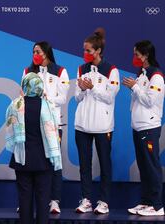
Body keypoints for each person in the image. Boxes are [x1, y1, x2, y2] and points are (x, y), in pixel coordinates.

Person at [74, 28, 120, 214]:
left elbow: (110, 97)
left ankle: (104, 201)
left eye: (88, 51)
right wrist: (83, 90)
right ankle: (86, 200)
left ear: (98, 51)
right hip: (82, 124)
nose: (85, 54)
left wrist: (92, 88)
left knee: (104, 163)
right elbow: (77, 97)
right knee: (84, 164)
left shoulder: (111, 70)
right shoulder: (81, 68)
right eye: (84, 50)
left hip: (103, 126)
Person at [6, 73, 61, 224]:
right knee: (43, 202)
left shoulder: (16, 105)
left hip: (22, 159)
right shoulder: (48, 106)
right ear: (40, 87)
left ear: (25, 86)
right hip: (44, 160)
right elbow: (55, 129)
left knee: (24, 200)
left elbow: (10, 128)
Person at [23, 41, 70, 214]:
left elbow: (62, 98)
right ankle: (27, 201)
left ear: (47, 53)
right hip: (32, 126)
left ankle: (54, 200)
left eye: (38, 51)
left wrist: (45, 96)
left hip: (52, 124)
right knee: (30, 163)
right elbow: (24, 94)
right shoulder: (28, 72)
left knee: (53, 163)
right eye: (33, 51)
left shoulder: (60, 71)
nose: (35, 54)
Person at [124, 40, 164, 216]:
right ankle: (146, 202)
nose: (135, 58)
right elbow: (138, 100)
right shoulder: (142, 74)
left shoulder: (156, 76)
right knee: (143, 166)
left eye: (137, 55)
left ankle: (156, 205)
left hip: (149, 127)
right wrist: (135, 87)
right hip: (138, 126)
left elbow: (149, 101)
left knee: (151, 166)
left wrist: (135, 87)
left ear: (146, 55)